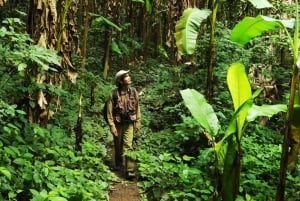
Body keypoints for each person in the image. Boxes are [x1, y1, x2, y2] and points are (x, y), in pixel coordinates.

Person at [106, 70, 141, 179]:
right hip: (118, 124)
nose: (129, 77)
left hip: (129, 123)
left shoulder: (133, 92)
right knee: (118, 145)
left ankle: (129, 170)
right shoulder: (113, 94)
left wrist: (138, 121)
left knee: (128, 145)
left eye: (128, 75)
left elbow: (137, 107)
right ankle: (118, 163)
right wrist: (112, 126)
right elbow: (109, 112)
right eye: (126, 76)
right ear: (121, 81)